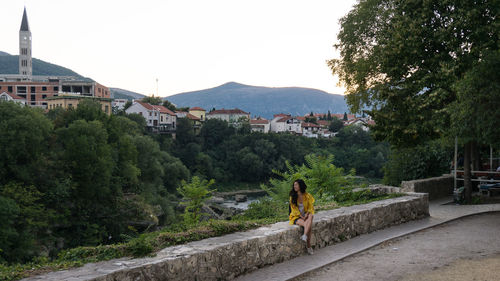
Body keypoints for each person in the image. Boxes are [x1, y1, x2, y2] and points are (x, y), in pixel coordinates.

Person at [289, 179, 315, 255]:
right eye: (294, 185)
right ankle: (309, 246)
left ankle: (304, 235)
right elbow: (294, 210)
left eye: (296, 185)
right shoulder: (292, 197)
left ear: (300, 185)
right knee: (308, 226)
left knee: (311, 216)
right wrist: (302, 216)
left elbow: (311, 207)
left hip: (306, 215)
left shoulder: (307, 196)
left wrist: (306, 214)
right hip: (296, 216)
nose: (295, 186)